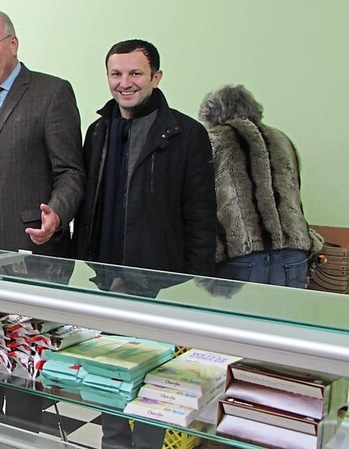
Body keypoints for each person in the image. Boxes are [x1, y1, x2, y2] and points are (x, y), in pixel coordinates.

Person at [70, 39, 217, 449]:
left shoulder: (186, 134)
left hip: (159, 285)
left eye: (135, 73)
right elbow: (88, 207)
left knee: (154, 389)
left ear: (156, 77)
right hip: (103, 281)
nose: (125, 83)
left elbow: (201, 216)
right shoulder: (97, 130)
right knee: (108, 381)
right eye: (116, 74)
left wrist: (196, 284)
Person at [0, 11, 85, 432]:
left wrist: (58, 212)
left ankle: (24, 435)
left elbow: (71, 171)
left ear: (13, 43)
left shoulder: (51, 92)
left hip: (31, 248)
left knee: (28, 354)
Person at [198, 84, 320, 287]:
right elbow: (294, 191)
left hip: (239, 253)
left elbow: (198, 201)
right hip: (293, 254)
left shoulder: (212, 141)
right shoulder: (282, 140)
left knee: (237, 319)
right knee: (282, 318)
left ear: (210, 113)